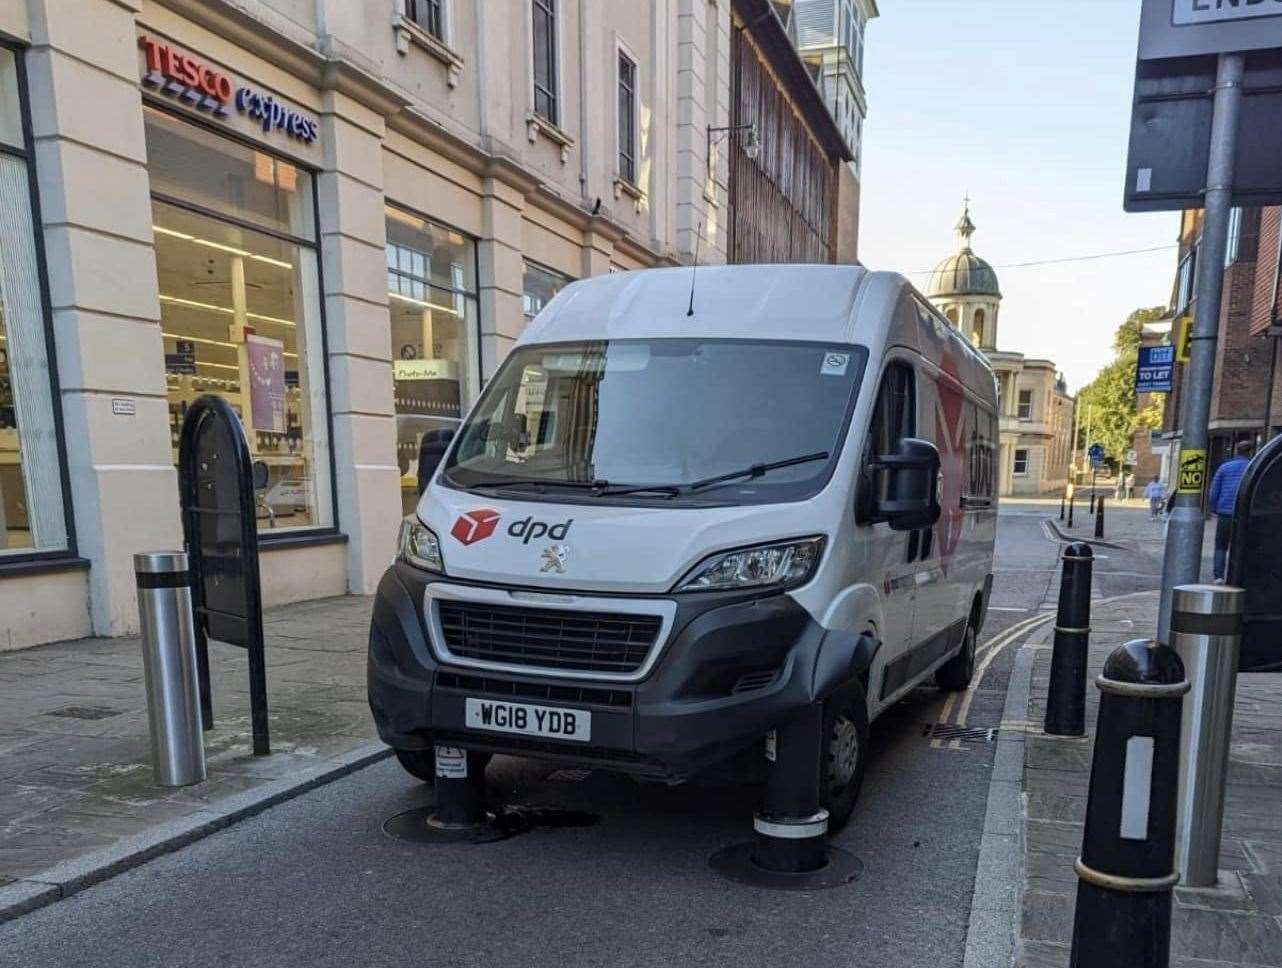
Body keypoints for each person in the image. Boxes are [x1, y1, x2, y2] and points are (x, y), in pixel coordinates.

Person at [1208, 440, 1255, 583]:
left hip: (1225, 513)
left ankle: (1219, 576)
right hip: (1244, 514)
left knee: (1221, 545)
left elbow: (1213, 492)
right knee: (1241, 544)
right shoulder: (1252, 468)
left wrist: (1214, 508)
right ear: (1250, 452)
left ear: (1236, 451)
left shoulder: (1224, 468)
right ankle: (1237, 575)